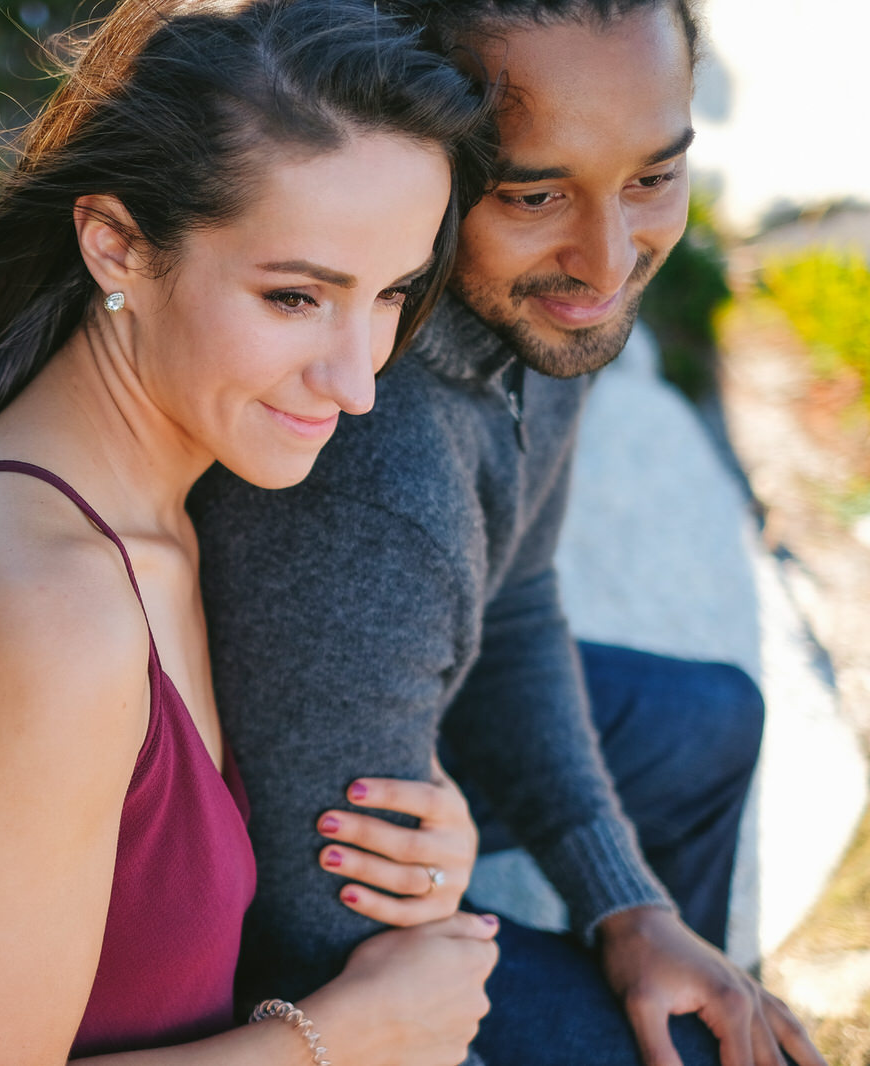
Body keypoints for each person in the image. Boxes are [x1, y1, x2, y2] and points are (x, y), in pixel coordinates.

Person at [0, 2, 506, 1064]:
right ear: (118, 248)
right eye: (295, 296)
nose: (358, 381)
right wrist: (341, 1039)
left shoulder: (147, 491)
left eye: (390, 294)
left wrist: (425, 823)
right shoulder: (48, 617)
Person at [188, 2, 825, 1065]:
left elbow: (513, 599)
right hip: (299, 916)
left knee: (711, 722)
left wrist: (629, 909)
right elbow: (328, 940)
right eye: (535, 193)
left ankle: (680, 975)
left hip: (398, 727)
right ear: (424, 149)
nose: (608, 260)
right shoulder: (367, 483)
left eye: (651, 178)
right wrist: (459, 888)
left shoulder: (535, 307)